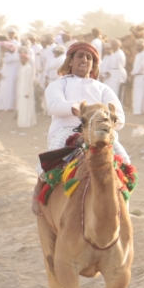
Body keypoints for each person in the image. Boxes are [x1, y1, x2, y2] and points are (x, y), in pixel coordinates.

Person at [32, 40, 129, 214]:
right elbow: (54, 105)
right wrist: (75, 108)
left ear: (93, 64)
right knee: (51, 159)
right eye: (80, 56)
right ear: (70, 61)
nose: (84, 60)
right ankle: (38, 193)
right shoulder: (58, 84)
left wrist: (110, 118)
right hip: (67, 130)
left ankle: (123, 207)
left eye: (89, 58)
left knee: (125, 162)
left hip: (100, 133)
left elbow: (120, 118)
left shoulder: (102, 88)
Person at [0, 40, 19, 112]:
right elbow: (4, 65)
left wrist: (4, 54)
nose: (2, 50)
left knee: (10, 91)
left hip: (12, 76)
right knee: (3, 91)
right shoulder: (6, 55)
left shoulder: (15, 55)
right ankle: (2, 106)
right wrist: (1, 74)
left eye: (3, 48)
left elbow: (7, 61)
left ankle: (10, 106)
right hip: (5, 76)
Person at [16, 50, 37, 128]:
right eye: (21, 59)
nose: (22, 60)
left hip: (27, 91)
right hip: (21, 90)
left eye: (23, 59)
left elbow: (29, 81)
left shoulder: (28, 68)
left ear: (27, 60)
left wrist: (27, 92)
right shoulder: (22, 67)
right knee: (22, 106)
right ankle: (22, 122)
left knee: (27, 106)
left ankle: (27, 122)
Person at [130, 40, 144, 115]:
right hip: (137, 76)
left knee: (140, 93)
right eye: (137, 45)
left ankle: (139, 111)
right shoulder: (138, 55)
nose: (138, 47)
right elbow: (136, 66)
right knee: (137, 94)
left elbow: (141, 66)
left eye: (139, 45)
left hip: (142, 75)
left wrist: (133, 73)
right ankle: (138, 110)